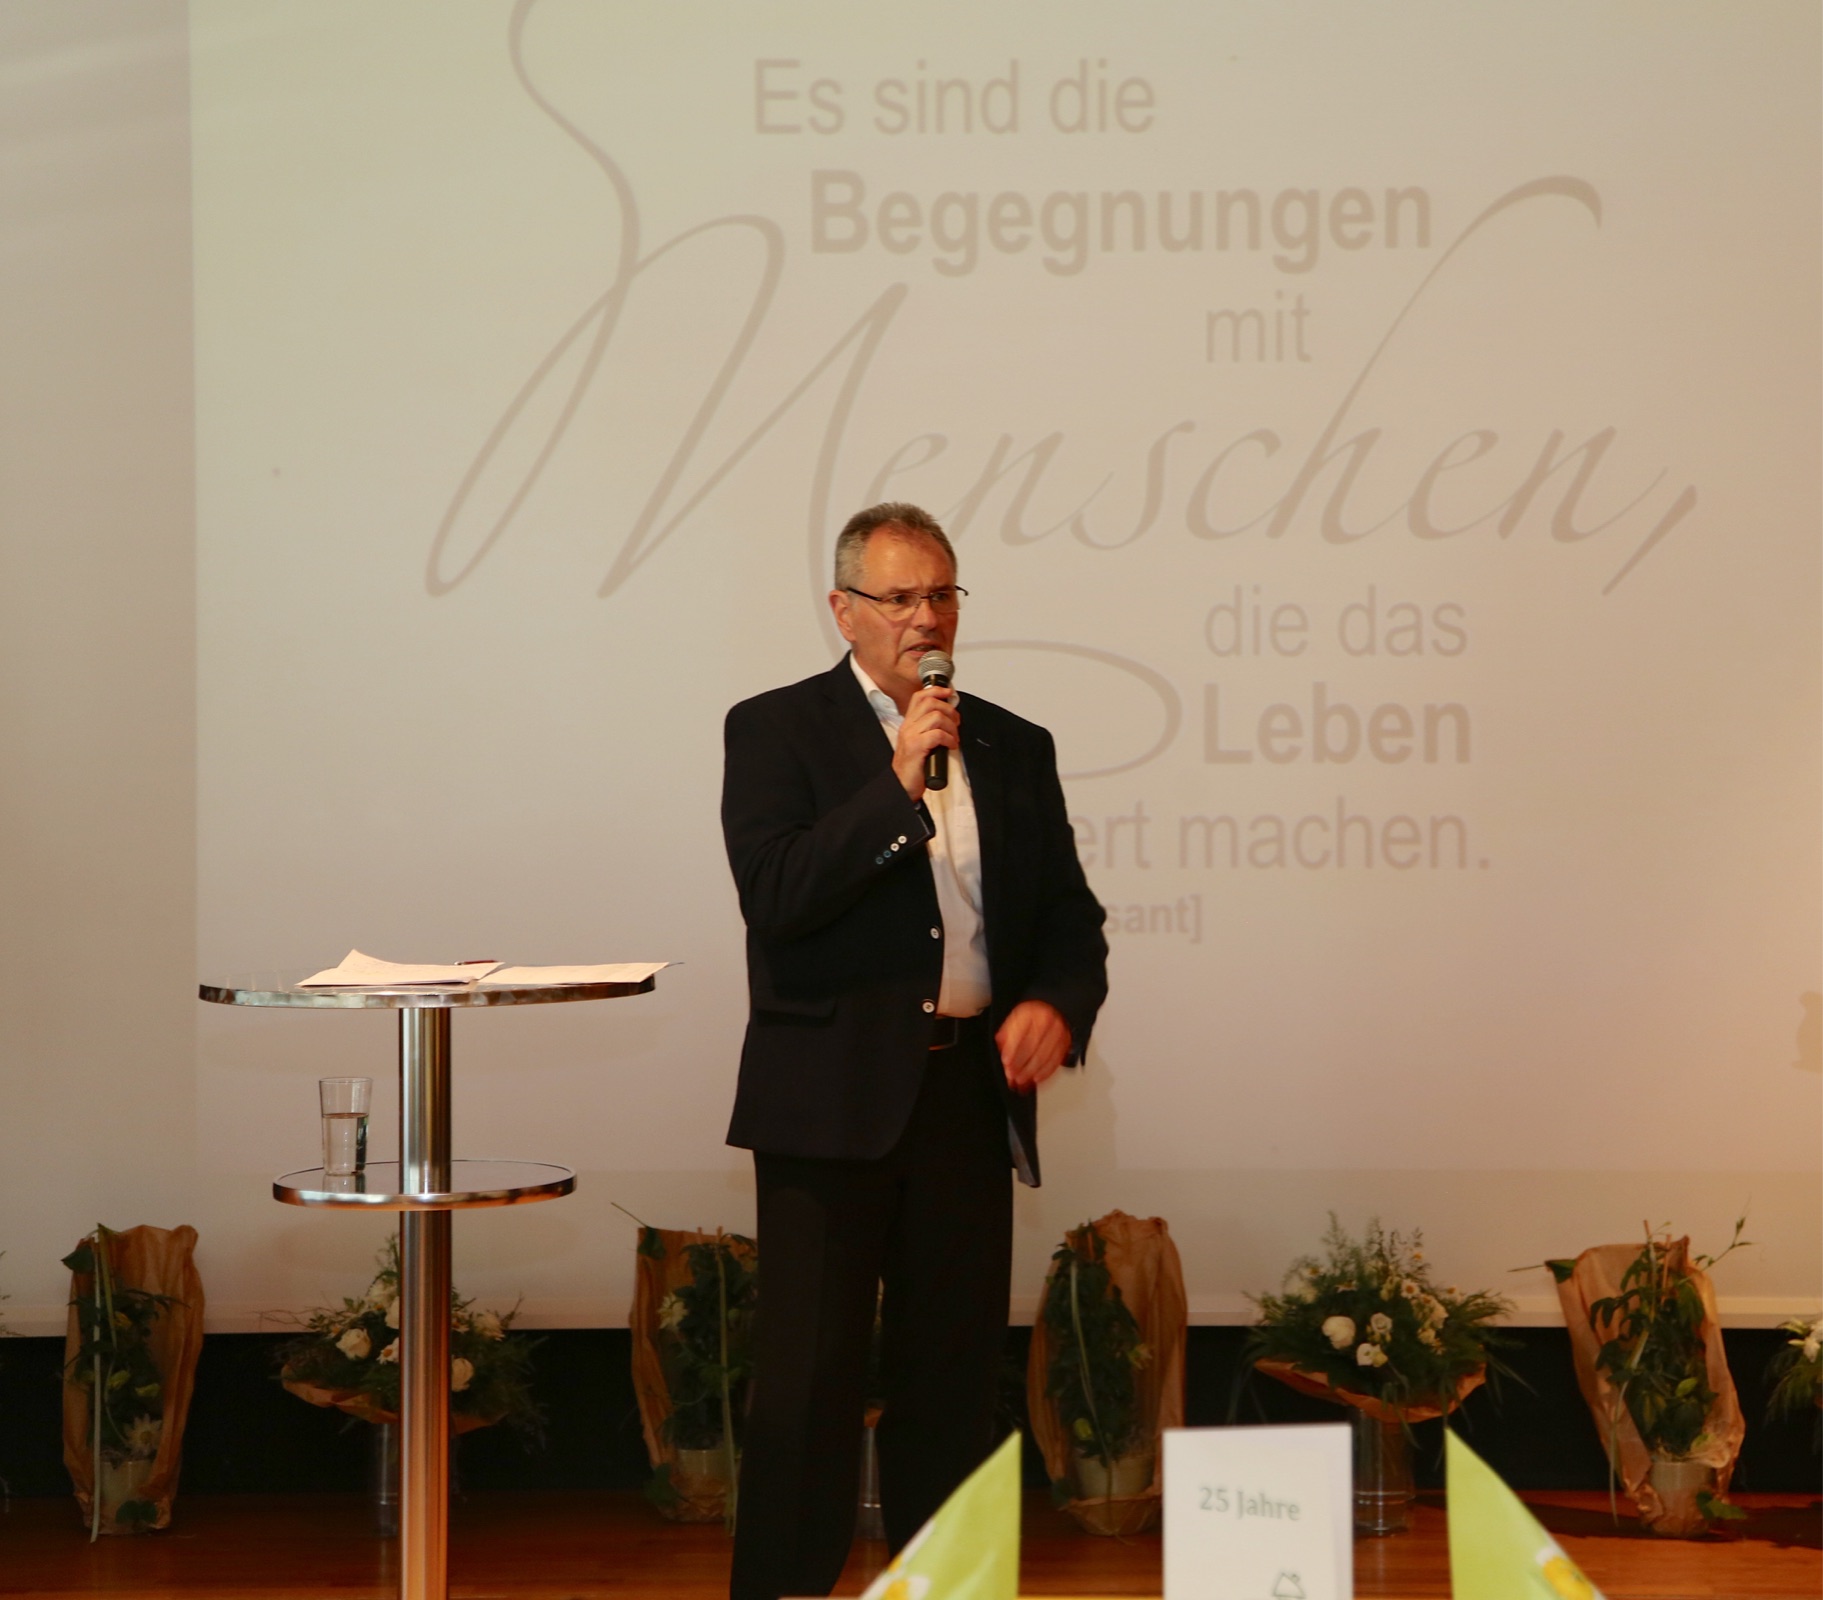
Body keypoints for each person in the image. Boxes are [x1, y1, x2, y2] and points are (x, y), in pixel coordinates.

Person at [720, 502, 1108, 1600]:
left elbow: (1070, 919)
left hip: (963, 1097)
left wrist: (1054, 1002)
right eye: (898, 598)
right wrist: (892, 782)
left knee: (951, 1383)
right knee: (808, 1384)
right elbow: (777, 895)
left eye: (941, 594)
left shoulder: (1013, 743)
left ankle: (945, 1588)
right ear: (843, 610)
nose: (925, 618)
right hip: (828, 1099)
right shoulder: (775, 729)